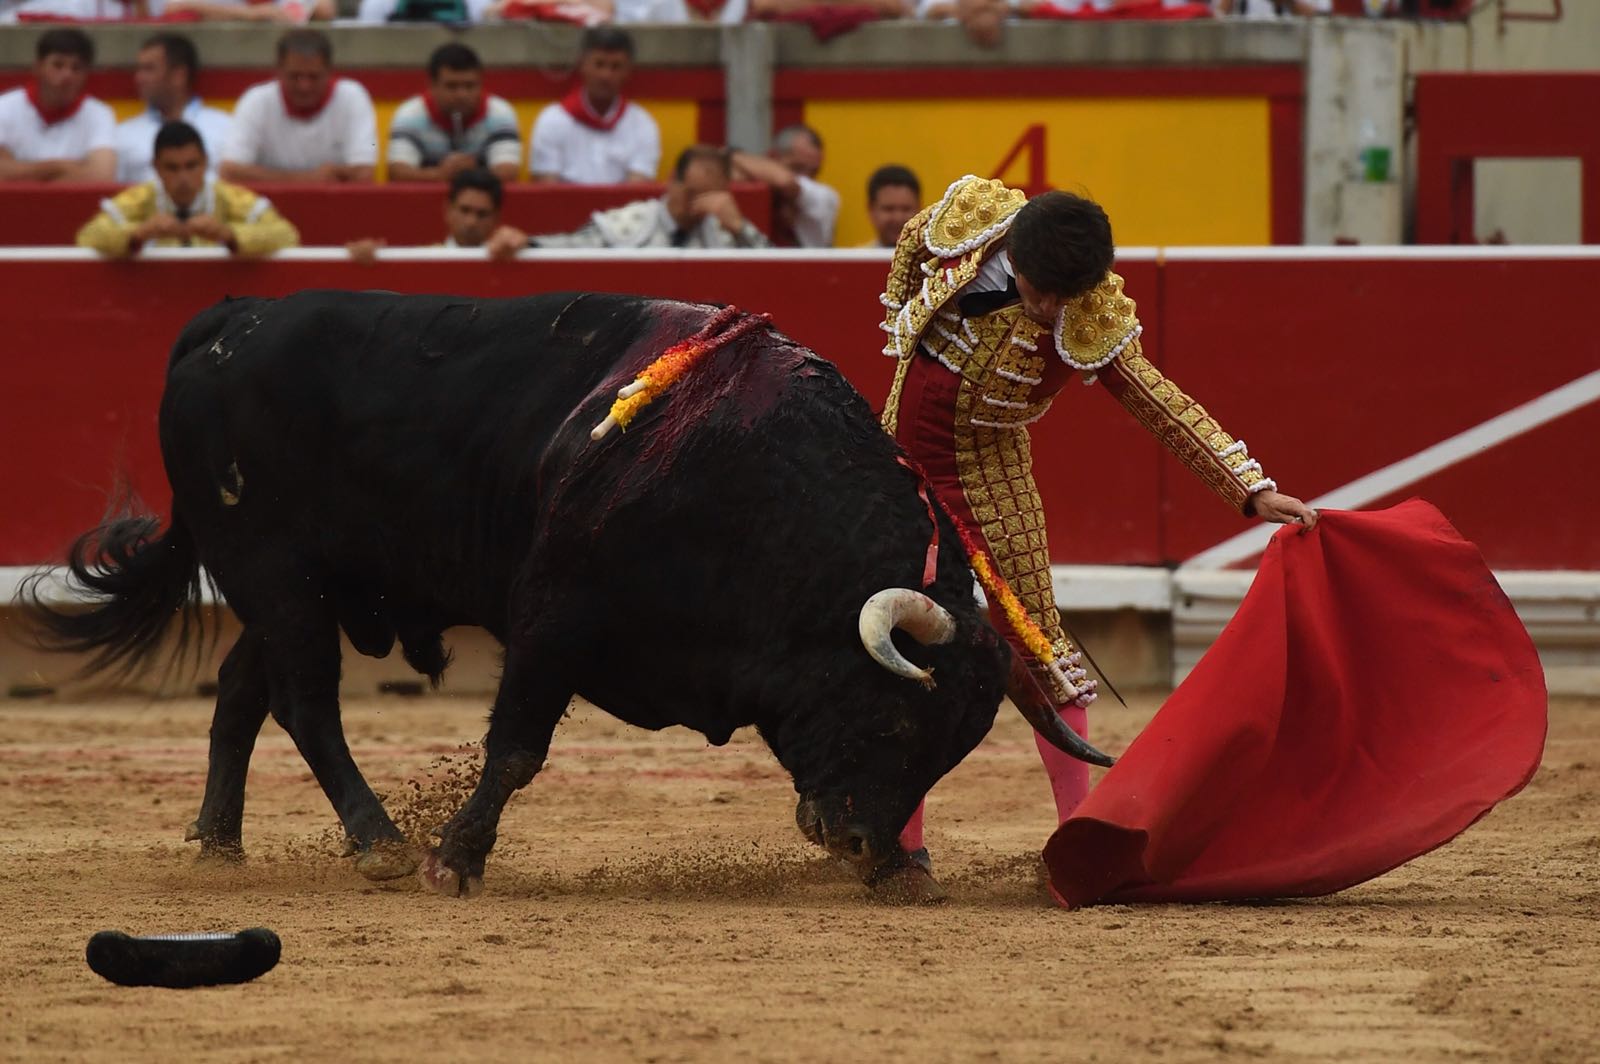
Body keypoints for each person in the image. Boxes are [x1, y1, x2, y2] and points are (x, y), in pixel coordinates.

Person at [877, 175, 1316, 867]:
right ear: (1013, 256)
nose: (1049, 306)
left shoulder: (1091, 312)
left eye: (1063, 296)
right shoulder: (973, 220)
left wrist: (1250, 490)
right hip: (895, 457)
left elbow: (1155, 400)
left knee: (1041, 645)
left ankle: (1077, 835)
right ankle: (897, 846)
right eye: (1038, 290)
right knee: (897, 640)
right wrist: (902, 332)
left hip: (991, 467)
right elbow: (910, 241)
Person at [486, 144, 769, 256]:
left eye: (710, 197)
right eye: (692, 194)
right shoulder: (630, 222)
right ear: (672, 181)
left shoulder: (726, 230)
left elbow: (777, 277)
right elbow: (575, 246)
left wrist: (739, 227)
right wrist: (529, 242)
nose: (699, 205)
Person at [77, 121, 299, 259]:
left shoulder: (232, 199)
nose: (183, 178)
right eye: (172, 168)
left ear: (205, 162)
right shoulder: (139, 199)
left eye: (191, 166)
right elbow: (88, 236)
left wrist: (229, 235)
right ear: (156, 167)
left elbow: (287, 235)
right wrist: (138, 233)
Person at [219, 30, 378, 184]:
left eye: (313, 77)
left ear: (329, 71)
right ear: (278, 70)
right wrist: (310, 179)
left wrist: (271, 177)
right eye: (295, 76)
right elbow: (229, 171)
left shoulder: (353, 97)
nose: (304, 86)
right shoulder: (256, 100)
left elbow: (364, 174)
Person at [528, 28, 660, 186]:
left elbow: (637, 192)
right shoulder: (551, 120)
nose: (606, 75)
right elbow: (547, 192)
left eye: (616, 67)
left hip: (623, 210)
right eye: (599, 64)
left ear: (628, 72)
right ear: (582, 65)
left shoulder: (642, 124)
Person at [387, 44, 521, 185]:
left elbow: (509, 173)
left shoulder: (500, 114)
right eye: (452, 86)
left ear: (481, 84)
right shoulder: (410, 115)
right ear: (432, 85)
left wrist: (459, 175)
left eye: (470, 86)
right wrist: (442, 174)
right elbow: (398, 173)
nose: (461, 95)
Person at [114, 34, 234, 185]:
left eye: (149, 69)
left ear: (179, 75)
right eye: (139, 69)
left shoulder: (227, 128)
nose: (138, 78)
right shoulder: (122, 134)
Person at [0, 29, 116, 183]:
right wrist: (63, 167)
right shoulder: (5, 106)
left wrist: (19, 170)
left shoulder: (100, 113)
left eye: (76, 68)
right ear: (38, 67)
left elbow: (102, 177)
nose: (67, 75)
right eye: (58, 65)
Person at [347, 167, 504, 262]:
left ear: (495, 218)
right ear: (447, 210)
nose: (471, 222)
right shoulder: (425, 258)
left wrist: (525, 244)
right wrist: (366, 254)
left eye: (482, 214)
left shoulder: (516, 253)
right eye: (464, 210)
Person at [730, 125, 839, 248]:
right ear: (772, 157)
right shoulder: (757, 185)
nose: (805, 178)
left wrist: (729, 156)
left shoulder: (825, 196)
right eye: (797, 168)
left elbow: (785, 182)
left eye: (813, 172)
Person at [860, 164, 920, 248]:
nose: (898, 218)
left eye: (906, 209)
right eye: (889, 209)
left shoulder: (937, 260)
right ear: (871, 209)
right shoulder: (857, 259)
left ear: (919, 209)